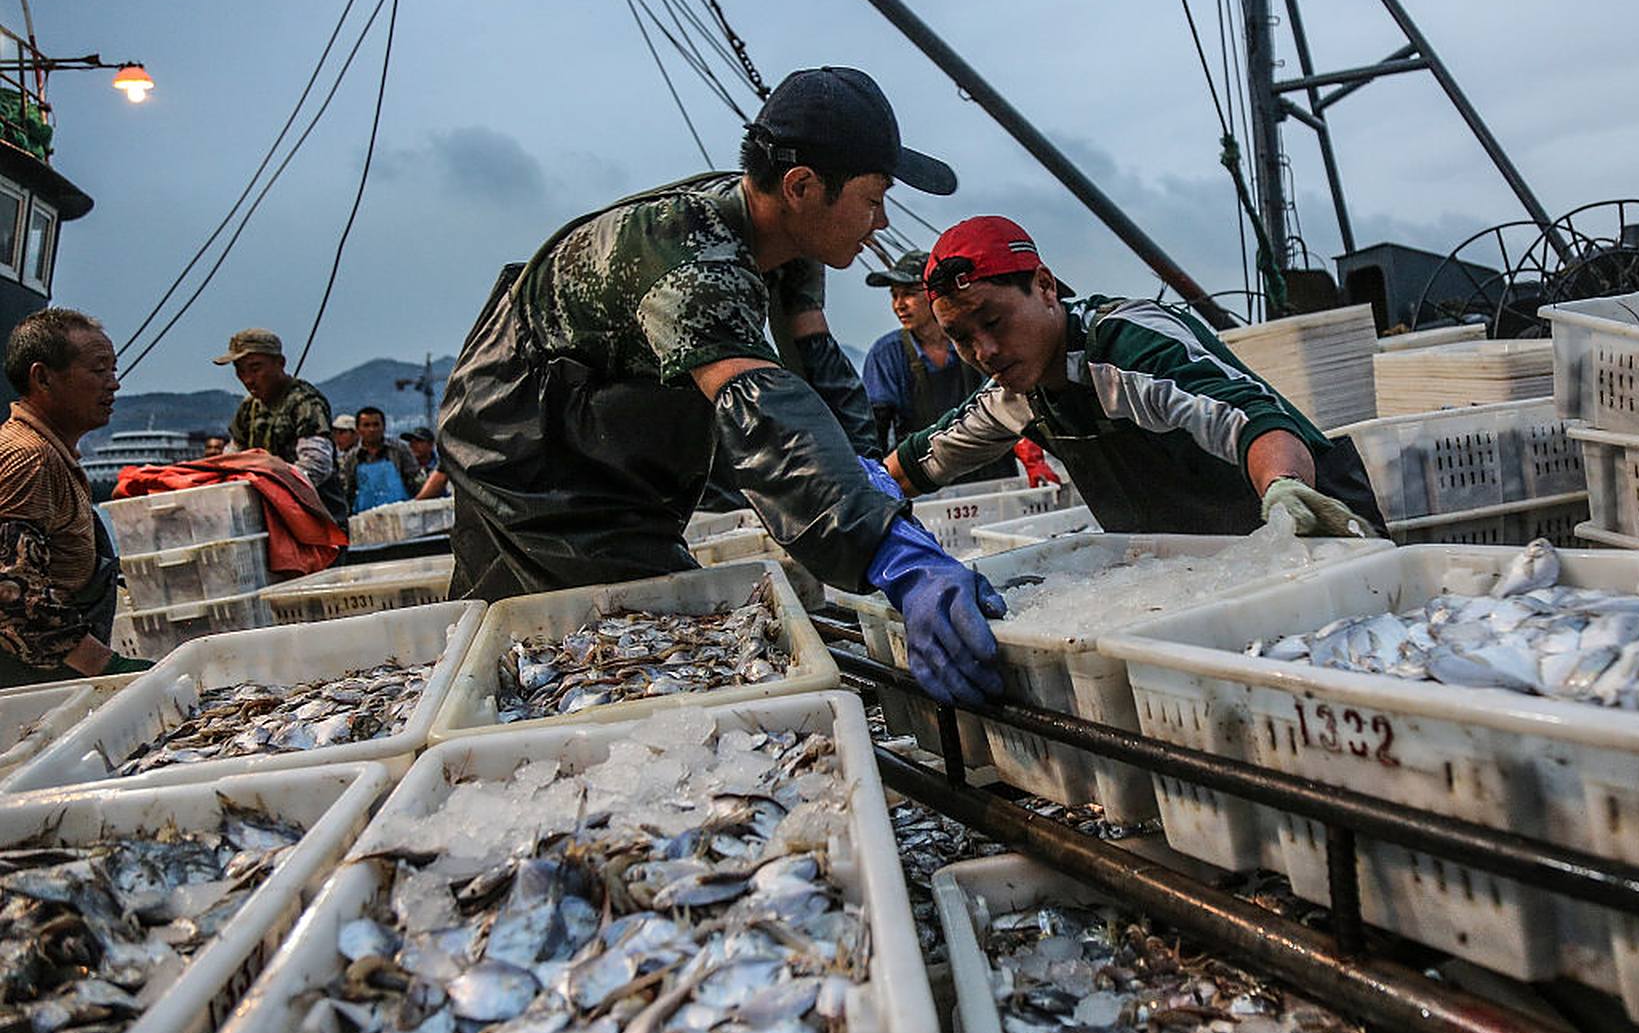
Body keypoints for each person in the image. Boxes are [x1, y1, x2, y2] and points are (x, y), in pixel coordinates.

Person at [438, 66, 1004, 704]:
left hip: (622, 438)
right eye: (873, 199)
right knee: (637, 647)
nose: (879, 221)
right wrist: (887, 549)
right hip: (528, 446)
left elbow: (814, 364)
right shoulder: (688, 249)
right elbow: (760, 407)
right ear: (802, 186)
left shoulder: (791, 249)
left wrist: (865, 475)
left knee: (594, 634)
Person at [884, 216, 1386, 539]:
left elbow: (1249, 418)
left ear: (1044, 288)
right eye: (961, 337)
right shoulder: (1016, 394)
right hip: (1218, 566)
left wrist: (1284, 488)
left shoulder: (1127, 346)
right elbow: (916, 463)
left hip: (1319, 539)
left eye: (993, 322)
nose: (984, 351)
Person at [0, 309, 152, 685]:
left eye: (113, 370)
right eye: (99, 370)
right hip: (29, 685)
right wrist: (108, 668)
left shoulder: (50, 454)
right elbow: (10, 595)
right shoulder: (27, 458)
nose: (113, 384)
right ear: (43, 377)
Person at [860, 249, 1017, 485]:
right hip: (928, 480)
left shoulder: (975, 341)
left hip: (993, 477)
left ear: (937, 295)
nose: (899, 305)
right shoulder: (887, 354)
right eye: (895, 296)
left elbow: (1013, 398)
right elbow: (876, 430)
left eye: (909, 294)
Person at [217, 328, 349, 524]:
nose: (248, 380)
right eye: (240, 371)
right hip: (272, 521)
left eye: (255, 369)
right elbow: (233, 459)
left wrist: (270, 488)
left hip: (316, 521)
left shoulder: (304, 402)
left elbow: (316, 465)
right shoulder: (248, 408)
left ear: (280, 363)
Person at [343, 406, 425, 513]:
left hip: (401, 514)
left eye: (376, 425)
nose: (372, 429)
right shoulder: (352, 457)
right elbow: (348, 491)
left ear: (384, 427)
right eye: (366, 425)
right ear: (358, 429)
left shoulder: (399, 450)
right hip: (365, 517)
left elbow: (416, 480)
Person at [402, 428, 450, 499]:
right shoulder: (404, 468)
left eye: (418, 441)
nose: (413, 445)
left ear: (431, 445)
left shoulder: (444, 467)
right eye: (411, 441)